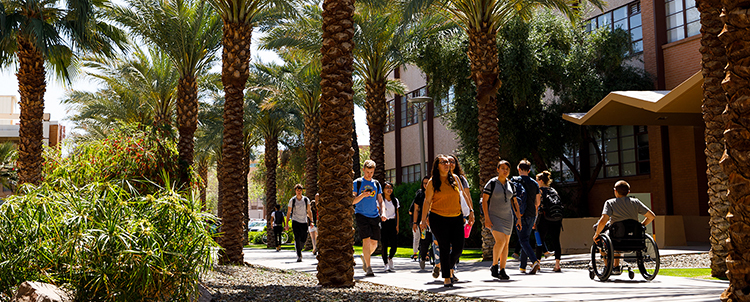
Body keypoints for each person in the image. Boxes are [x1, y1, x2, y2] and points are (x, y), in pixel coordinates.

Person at [420, 154, 467, 287]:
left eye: (448, 162)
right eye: (443, 162)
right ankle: (447, 277)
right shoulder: (433, 182)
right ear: (437, 166)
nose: (447, 164)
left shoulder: (455, 178)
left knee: (458, 248)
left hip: (456, 217)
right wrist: (423, 220)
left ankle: (447, 267)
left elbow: (462, 196)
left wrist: (471, 212)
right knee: (444, 247)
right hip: (438, 218)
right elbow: (427, 201)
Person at [593, 180, 656, 275]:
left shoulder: (610, 203)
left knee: (602, 240)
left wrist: (596, 234)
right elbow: (652, 216)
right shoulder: (635, 202)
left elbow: (603, 220)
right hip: (634, 238)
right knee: (616, 236)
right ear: (628, 192)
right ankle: (616, 266)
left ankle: (607, 267)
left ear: (615, 191)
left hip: (616, 237)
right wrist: (641, 226)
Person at [482, 160, 522, 280]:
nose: (505, 171)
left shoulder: (511, 185)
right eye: (503, 168)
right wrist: (487, 218)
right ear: (498, 169)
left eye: (507, 169)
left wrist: (519, 218)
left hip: (508, 217)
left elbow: (515, 202)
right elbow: (484, 201)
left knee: (506, 244)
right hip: (494, 216)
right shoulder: (492, 183)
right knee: (500, 241)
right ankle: (494, 265)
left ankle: (503, 269)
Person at [353, 159, 384, 277]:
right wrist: (362, 195)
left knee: (374, 243)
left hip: (374, 215)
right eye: (367, 172)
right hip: (361, 214)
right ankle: (369, 267)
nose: (369, 174)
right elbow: (352, 201)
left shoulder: (376, 184)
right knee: (366, 240)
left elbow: (380, 201)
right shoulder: (357, 183)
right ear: (363, 170)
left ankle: (365, 257)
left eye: (371, 172)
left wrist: (383, 212)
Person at [514, 159, 541, 274]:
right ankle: (522, 266)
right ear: (529, 170)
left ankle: (534, 261)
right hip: (531, 214)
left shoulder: (514, 181)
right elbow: (537, 202)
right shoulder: (534, 183)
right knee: (525, 238)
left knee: (522, 239)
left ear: (519, 169)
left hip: (519, 213)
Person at [534, 171, 563, 272]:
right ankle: (557, 265)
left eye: (537, 180)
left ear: (541, 181)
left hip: (544, 218)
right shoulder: (553, 191)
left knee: (539, 241)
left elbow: (537, 205)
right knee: (556, 241)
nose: (536, 182)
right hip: (556, 218)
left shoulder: (540, 191)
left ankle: (537, 264)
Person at [286, 184, 313, 262]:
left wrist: (311, 221)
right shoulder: (292, 200)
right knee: (297, 238)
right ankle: (299, 255)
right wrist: (287, 223)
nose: (299, 192)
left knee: (304, 238)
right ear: (295, 191)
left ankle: (299, 248)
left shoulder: (306, 200)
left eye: (300, 190)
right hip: (295, 221)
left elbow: (309, 210)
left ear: (302, 191)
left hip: (304, 221)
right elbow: (288, 212)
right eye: (297, 190)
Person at [380, 181, 400, 272]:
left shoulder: (395, 200)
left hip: (392, 222)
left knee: (394, 244)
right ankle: (385, 263)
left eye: (390, 188)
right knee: (384, 244)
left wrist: (397, 225)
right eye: (387, 188)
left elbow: (397, 213)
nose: (389, 190)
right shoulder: (380, 200)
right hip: (384, 222)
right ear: (383, 190)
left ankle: (390, 257)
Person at [409, 178, 428, 260]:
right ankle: (422, 254)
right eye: (424, 183)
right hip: (422, 220)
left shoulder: (435, 192)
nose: (425, 185)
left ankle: (430, 254)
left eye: (427, 183)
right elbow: (415, 209)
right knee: (421, 237)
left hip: (433, 218)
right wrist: (414, 222)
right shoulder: (420, 194)